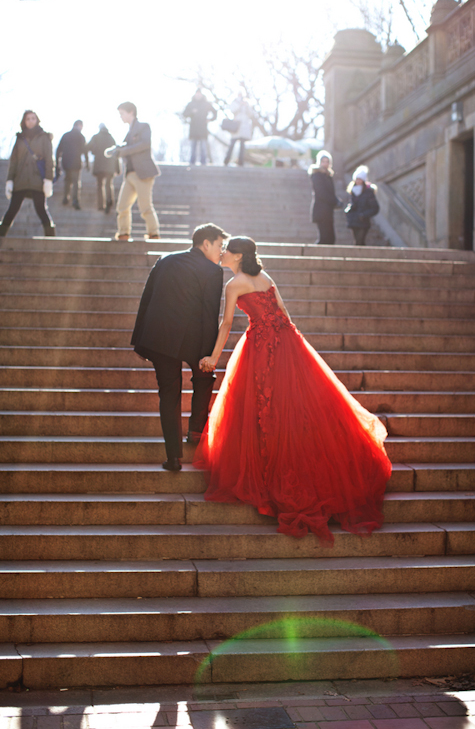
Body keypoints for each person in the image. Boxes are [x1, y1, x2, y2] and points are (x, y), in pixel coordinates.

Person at [196, 236, 392, 546]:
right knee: (290, 404)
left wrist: (214, 357)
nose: (221, 254)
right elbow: (284, 311)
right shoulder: (265, 276)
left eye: (226, 251)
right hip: (285, 341)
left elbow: (227, 323)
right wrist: (295, 347)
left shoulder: (234, 285)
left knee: (265, 405)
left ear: (237, 256)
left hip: (261, 347)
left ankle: (267, 472)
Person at [131, 223, 229, 471]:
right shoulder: (213, 271)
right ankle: (195, 431)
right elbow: (210, 313)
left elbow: (147, 300)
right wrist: (208, 355)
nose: (221, 251)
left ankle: (173, 457)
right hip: (195, 338)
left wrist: (141, 342)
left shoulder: (165, 260)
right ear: (205, 244)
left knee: (169, 394)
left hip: (160, 338)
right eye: (219, 245)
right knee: (204, 379)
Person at [105, 102, 161, 241]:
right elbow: (126, 147)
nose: (121, 117)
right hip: (129, 174)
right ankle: (123, 233)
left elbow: (145, 144)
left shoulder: (143, 126)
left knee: (145, 206)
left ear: (131, 112)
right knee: (122, 206)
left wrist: (123, 151)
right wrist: (117, 150)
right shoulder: (129, 132)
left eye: (122, 113)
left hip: (143, 173)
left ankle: (153, 234)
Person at [0, 110, 55, 238]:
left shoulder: (44, 137)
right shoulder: (20, 138)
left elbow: (49, 160)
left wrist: (48, 180)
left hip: (37, 181)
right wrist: (10, 180)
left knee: (41, 210)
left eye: (33, 118)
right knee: (12, 210)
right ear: (24, 121)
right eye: (28, 119)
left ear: (37, 120)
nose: (30, 121)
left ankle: (52, 240)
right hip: (20, 180)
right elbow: (13, 161)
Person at [308, 150, 343, 244]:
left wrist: (337, 201)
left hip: (328, 211)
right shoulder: (317, 175)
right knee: (324, 238)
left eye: (327, 161)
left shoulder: (328, 176)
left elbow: (330, 193)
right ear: (319, 162)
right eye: (323, 161)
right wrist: (334, 201)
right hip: (321, 211)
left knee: (331, 238)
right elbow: (321, 193)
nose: (325, 164)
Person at [56, 120, 88, 210]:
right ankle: (75, 200)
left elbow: (59, 149)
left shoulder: (66, 135)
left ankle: (66, 197)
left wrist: (58, 162)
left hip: (66, 162)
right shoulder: (81, 136)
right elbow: (85, 150)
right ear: (80, 125)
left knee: (67, 180)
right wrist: (87, 163)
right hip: (76, 163)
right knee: (75, 182)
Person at [87, 124, 119, 213]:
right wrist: (117, 168)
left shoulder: (96, 137)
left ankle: (101, 205)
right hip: (110, 166)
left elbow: (88, 147)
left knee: (100, 185)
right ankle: (109, 200)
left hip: (99, 165)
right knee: (109, 184)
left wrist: (94, 151)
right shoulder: (111, 138)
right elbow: (116, 152)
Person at [345, 165, 380, 246]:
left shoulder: (368, 192)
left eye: (360, 179)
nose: (358, 181)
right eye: (356, 179)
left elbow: (375, 208)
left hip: (363, 221)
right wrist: (348, 210)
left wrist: (364, 215)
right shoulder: (352, 191)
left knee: (360, 241)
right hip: (353, 220)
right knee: (357, 241)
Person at [183, 89, 217, 166]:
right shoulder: (191, 104)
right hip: (193, 128)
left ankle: (203, 162)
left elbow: (215, 112)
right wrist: (192, 112)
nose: (198, 95)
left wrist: (210, 119)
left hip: (203, 129)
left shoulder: (206, 104)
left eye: (199, 94)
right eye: (197, 94)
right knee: (193, 148)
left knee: (203, 147)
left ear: (201, 95)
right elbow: (184, 114)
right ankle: (192, 162)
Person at [223, 91, 253, 167]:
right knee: (232, 144)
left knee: (242, 145)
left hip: (244, 127)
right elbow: (232, 110)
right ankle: (226, 160)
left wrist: (246, 106)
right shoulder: (235, 102)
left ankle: (241, 161)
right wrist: (240, 105)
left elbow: (251, 114)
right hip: (236, 126)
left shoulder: (247, 103)